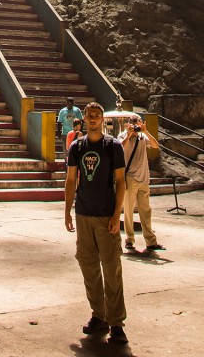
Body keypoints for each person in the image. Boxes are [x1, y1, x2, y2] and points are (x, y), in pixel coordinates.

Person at [65, 101, 128, 346]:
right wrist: (67, 210)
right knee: (89, 267)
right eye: (89, 115)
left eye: (96, 115)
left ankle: (117, 323)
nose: (92, 118)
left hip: (105, 214)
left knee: (111, 268)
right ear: (84, 118)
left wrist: (116, 215)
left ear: (103, 120)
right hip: (83, 214)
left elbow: (121, 182)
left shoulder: (113, 146)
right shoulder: (77, 147)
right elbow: (71, 180)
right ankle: (98, 315)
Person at [120, 114, 164, 252]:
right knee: (128, 210)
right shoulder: (122, 135)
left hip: (143, 177)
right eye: (132, 122)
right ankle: (129, 239)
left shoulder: (142, 137)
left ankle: (151, 241)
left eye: (137, 122)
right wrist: (129, 135)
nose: (134, 125)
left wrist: (145, 131)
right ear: (128, 124)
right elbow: (120, 147)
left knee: (146, 210)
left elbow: (156, 146)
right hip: (130, 178)